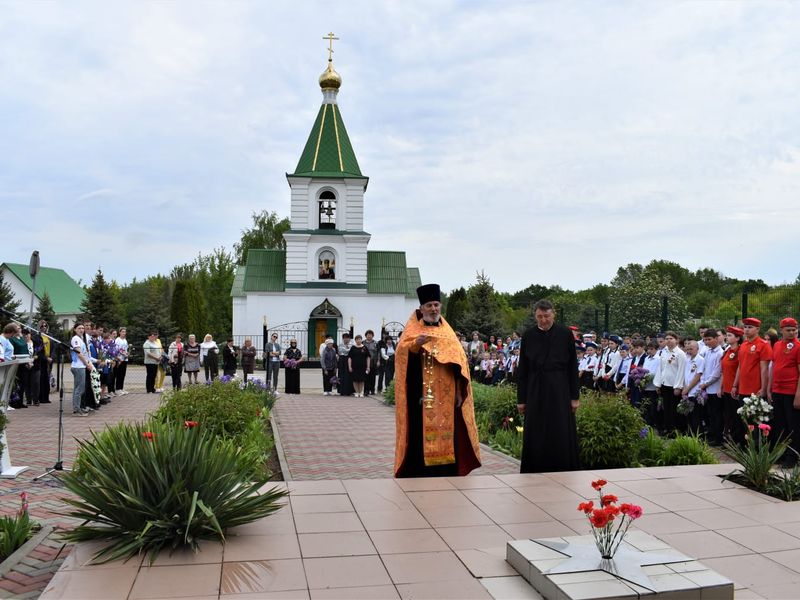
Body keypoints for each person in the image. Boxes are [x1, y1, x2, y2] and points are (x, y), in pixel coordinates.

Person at [394, 283, 481, 477]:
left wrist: (459, 390)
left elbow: (459, 364)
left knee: (448, 431)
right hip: (421, 394)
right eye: (429, 305)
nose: (434, 309)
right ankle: (419, 471)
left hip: (447, 394)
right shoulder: (412, 331)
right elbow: (401, 355)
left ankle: (447, 469)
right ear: (422, 308)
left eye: (436, 305)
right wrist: (415, 346)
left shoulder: (448, 333)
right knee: (419, 432)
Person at [517, 299, 580, 473]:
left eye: (546, 316)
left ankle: (562, 467)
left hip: (559, 388)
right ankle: (535, 468)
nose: (543, 320)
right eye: (539, 316)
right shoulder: (528, 335)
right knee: (536, 430)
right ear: (535, 316)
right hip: (535, 388)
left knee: (559, 429)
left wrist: (575, 396)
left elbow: (572, 366)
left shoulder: (565, 333)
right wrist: (521, 399)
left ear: (553, 314)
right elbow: (523, 369)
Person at [769, 317, 800, 466]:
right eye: (788, 330)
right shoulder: (776, 346)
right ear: (781, 330)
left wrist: (798, 395)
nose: (792, 332)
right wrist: (770, 389)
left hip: (791, 391)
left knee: (793, 426)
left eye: (794, 330)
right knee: (779, 425)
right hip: (777, 390)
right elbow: (774, 368)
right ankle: (780, 454)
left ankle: (792, 458)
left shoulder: (798, 346)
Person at [653, 331, 687, 435]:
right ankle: (667, 429)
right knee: (666, 408)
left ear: (676, 340)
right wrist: (658, 384)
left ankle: (675, 430)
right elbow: (661, 368)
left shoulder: (680, 354)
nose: (669, 340)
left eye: (671, 338)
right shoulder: (664, 352)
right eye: (667, 338)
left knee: (674, 409)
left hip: (674, 386)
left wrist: (678, 387)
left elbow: (681, 370)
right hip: (665, 384)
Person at [732, 317, 772, 401]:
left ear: (757, 329)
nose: (746, 330)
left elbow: (764, 369)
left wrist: (764, 388)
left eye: (750, 327)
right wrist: (735, 385)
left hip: (756, 390)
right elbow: (740, 366)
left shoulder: (764, 345)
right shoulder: (743, 345)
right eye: (745, 327)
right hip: (742, 388)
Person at [698, 329, 723, 445]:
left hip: (714, 388)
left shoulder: (720, 353)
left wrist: (705, 383)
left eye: (709, 339)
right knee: (709, 414)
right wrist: (702, 382)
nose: (707, 342)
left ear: (716, 339)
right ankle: (711, 435)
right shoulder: (707, 352)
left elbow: (717, 373)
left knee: (717, 414)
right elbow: (703, 368)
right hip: (706, 387)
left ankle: (718, 438)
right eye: (705, 340)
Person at [721, 326, 744, 445]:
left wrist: (735, 386)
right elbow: (723, 371)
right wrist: (721, 387)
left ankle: (738, 440)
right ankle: (731, 438)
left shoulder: (740, 351)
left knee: (736, 416)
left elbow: (740, 370)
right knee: (729, 415)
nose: (727, 337)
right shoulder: (727, 350)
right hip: (726, 388)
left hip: (735, 389)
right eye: (727, 335)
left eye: (730, 335)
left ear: (737, 338)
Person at [69, 324, 92, 416]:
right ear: (75, 329)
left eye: (82, 328)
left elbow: (85, 353)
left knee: (78, 388)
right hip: (78, 367)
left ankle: (77, 408)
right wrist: (87, 364)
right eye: (79, 328)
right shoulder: (75, 339)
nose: (81, 330)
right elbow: (79, 354)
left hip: (81, 366)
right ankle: (77, 410)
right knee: (80, 389)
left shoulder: (81, 339)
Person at [35, 320, 53, 404]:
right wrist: (46, 359)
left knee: (47, 379)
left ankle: (46, 397)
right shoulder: (37, 337)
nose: (44, 328)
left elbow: (53, 348)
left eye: (45, 326)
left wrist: (51, 357)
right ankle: (41, 398)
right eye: (42, 326)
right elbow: (37, 351)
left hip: (49, 361)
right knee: (41, 380)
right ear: (39, 327)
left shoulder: (49, 336)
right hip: (41, 361)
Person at [113, 327, 130, 395]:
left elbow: (126, 349)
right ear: (119, 332)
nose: (124, 333)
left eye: (125, 332)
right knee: (119, 374)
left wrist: (127, 353)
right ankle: (117, 389)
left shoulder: (125, 340)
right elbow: (118, 349)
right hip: (120, 359)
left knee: (123, 374)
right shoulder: (117, 340)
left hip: (125, 359)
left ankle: (121, 388)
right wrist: (123, 353)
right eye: (122, 332)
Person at [363, 330, 379, 396]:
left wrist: (378, 360)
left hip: (373, 362)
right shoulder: (363, 343)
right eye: (368, 334)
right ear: (366, 335)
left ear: (372, 335)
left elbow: (378, 353)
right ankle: (366, 390)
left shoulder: (376, 343)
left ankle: (372, 390)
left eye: (370, 335)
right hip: (365, 362)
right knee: (366, 377)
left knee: (372, 377)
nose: (369, 336)